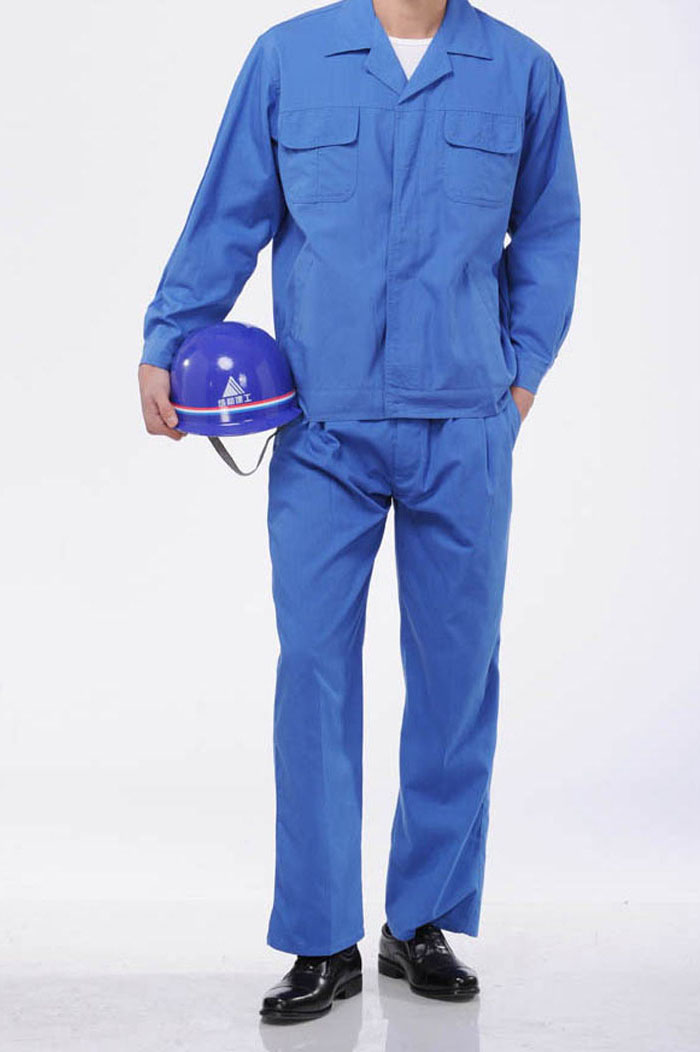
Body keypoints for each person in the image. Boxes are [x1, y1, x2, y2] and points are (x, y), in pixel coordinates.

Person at [138, 0, 580, 1025]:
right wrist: (168, 338)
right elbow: (229, 213)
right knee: (313, 672)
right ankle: (321, 937)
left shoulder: (521, 71)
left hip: (463, 424)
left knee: (456, 677)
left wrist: (517, 381)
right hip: (323, 424)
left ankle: (419, 920)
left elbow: (549, 233)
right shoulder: (288, 58)